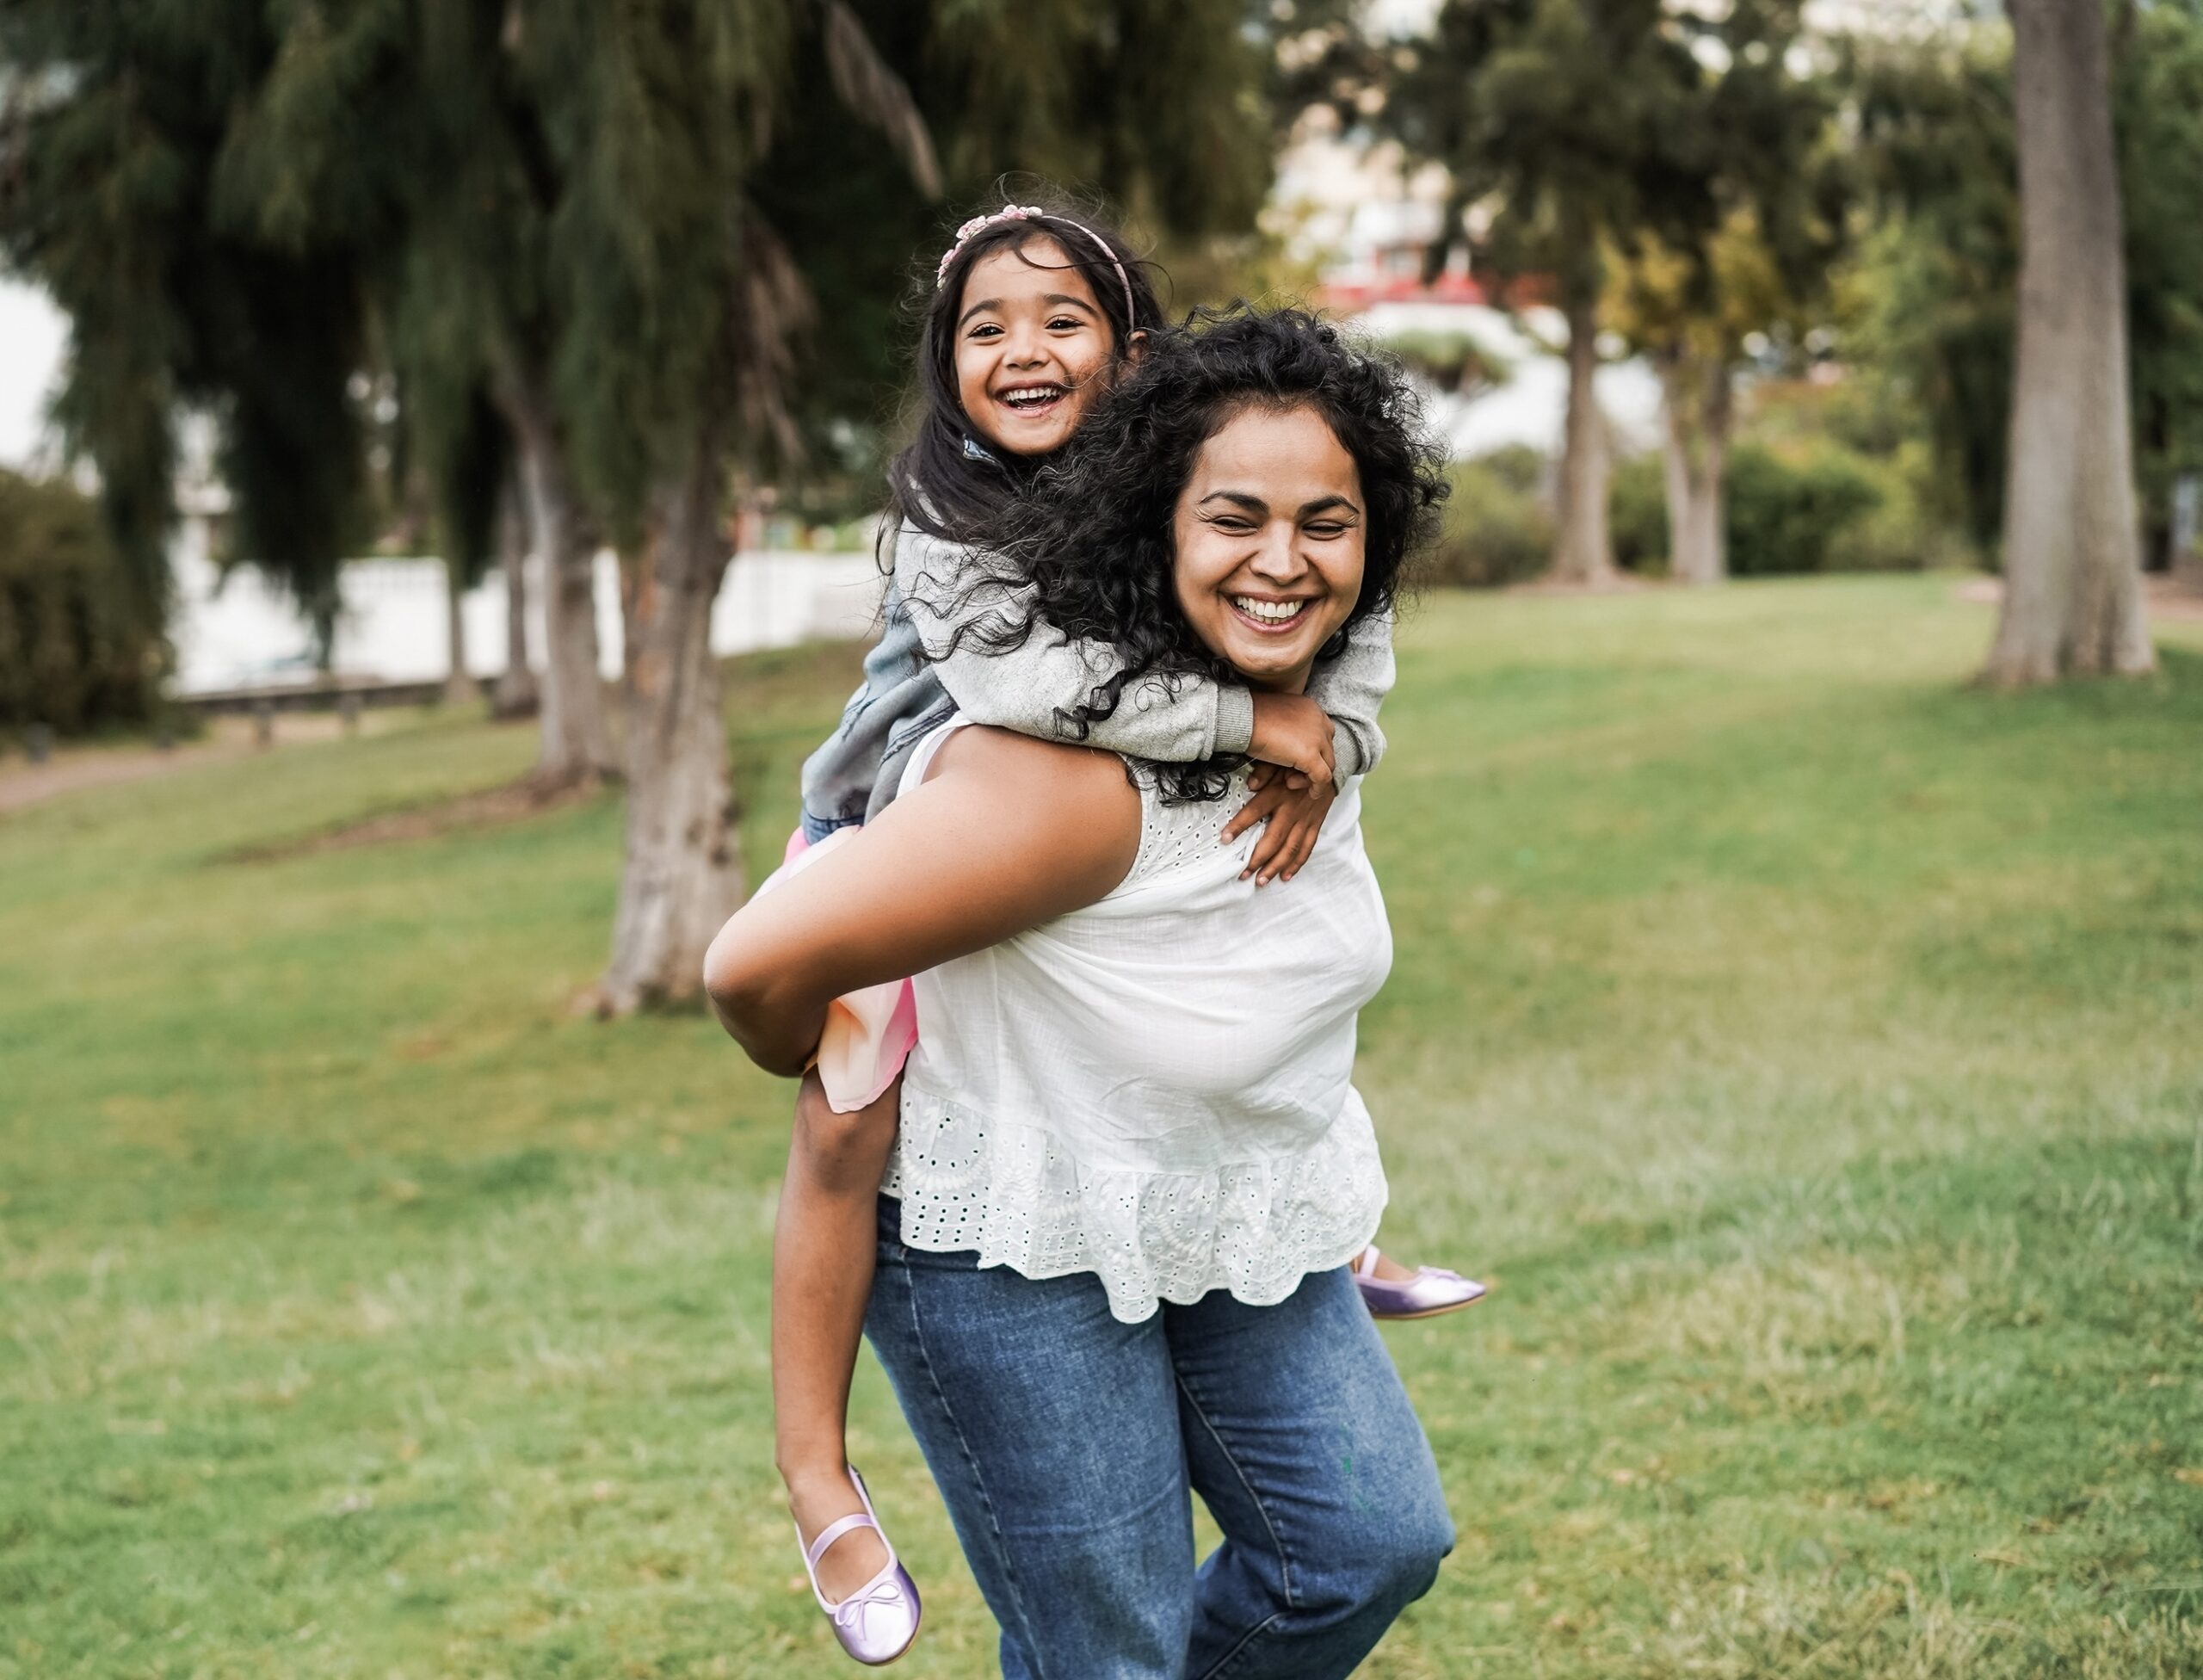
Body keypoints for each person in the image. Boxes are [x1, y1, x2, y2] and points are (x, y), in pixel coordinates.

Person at [707, 308, 1459, 1676]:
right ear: (1155, 523)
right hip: (1012, 1237)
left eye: (1327, 523)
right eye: (1234, 518)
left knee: (1362, 1548)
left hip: (1220, 1207)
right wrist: (819, 1060)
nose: (1283, 563)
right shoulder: (1060, 787)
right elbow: (752, 962)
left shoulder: (1310, 718)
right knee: (1108, 1653)